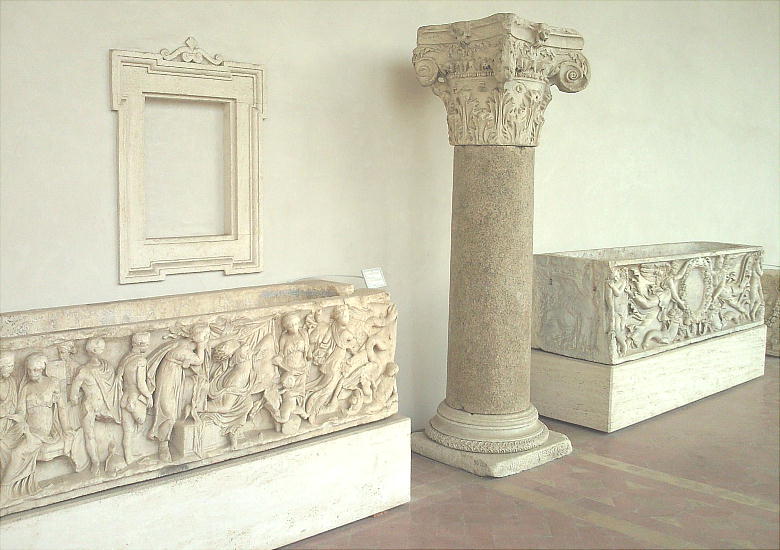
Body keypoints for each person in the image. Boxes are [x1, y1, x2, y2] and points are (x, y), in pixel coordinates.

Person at [1, 353, 72, 502]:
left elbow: (62, 408)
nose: (31, 373)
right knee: (2, 443)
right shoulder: (26, 388)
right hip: (26, 428)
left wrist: (67, 431)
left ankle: (5, 489)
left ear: (42, 369)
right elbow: (21, 412)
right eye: (29, 370)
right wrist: (12, 417)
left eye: (35, 370)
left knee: (17, 453)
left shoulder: (52, 383)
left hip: (42, 432)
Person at [146, 324, 210, 462]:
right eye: (206, 337)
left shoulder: (185, 344)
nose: (207, 339)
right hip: (168, 380)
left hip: (175, 379)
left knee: (198, 387)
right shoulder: (182, 350)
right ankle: (163, 445)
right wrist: (201, 345)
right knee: (168, 413)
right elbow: (199, 360)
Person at [69, 338, 121, 474]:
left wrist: (76, 398)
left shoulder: (105, 367)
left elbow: (73, 395)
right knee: (89, 435)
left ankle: (97, 462)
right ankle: (95, 461)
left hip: (96, 406)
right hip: (93, 407)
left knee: (90, 435)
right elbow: (73, 394)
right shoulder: (90, 370)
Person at [115, 332, 153, 465]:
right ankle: (134, 454)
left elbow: (119, 377)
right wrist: (149, 396)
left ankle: (128, 457)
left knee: (128, 431)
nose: (148, 347)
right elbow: (141, 384)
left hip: (125, 397)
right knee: (141, 421)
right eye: (146, 344)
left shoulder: (125, 358)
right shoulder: (141, 361)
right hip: (135, 398)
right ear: (140, 344)